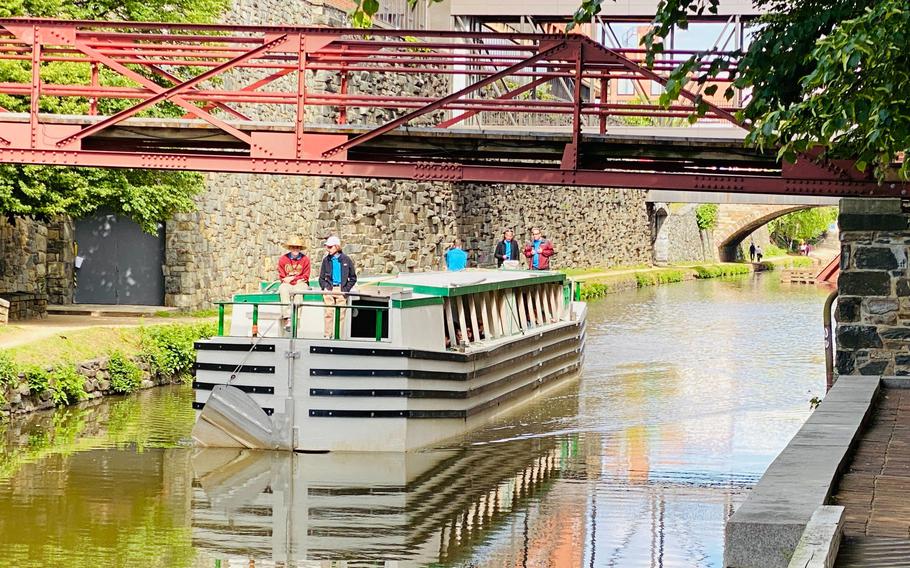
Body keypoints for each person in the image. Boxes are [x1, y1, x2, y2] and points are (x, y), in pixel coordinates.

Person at [318, 235, 357, 339]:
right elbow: (321, 278)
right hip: (329, 289)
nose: (328, 249)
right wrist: (325, 287)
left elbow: (353, 278)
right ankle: (327, 335)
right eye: (327, 247)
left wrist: (345, 290)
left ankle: (338, 336)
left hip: (341, 289)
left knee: (341, 315)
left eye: (330, 247)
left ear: (337, 247)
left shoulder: (346, 260)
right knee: (328, 313)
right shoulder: (326, 260)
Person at [277, 235, 311, 332]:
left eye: (297, 247)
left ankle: (296, 317)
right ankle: (287, 317)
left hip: (301, 283)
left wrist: (292, 278)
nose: (295, 249)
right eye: (293, 247)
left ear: (300, 248)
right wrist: (291, 279)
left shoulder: (305, 260)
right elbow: (282, 277)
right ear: (290, 248)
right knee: (283, 288)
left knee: (300, 290)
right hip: (288, 283)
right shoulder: (283, 259)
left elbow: (306, 276)